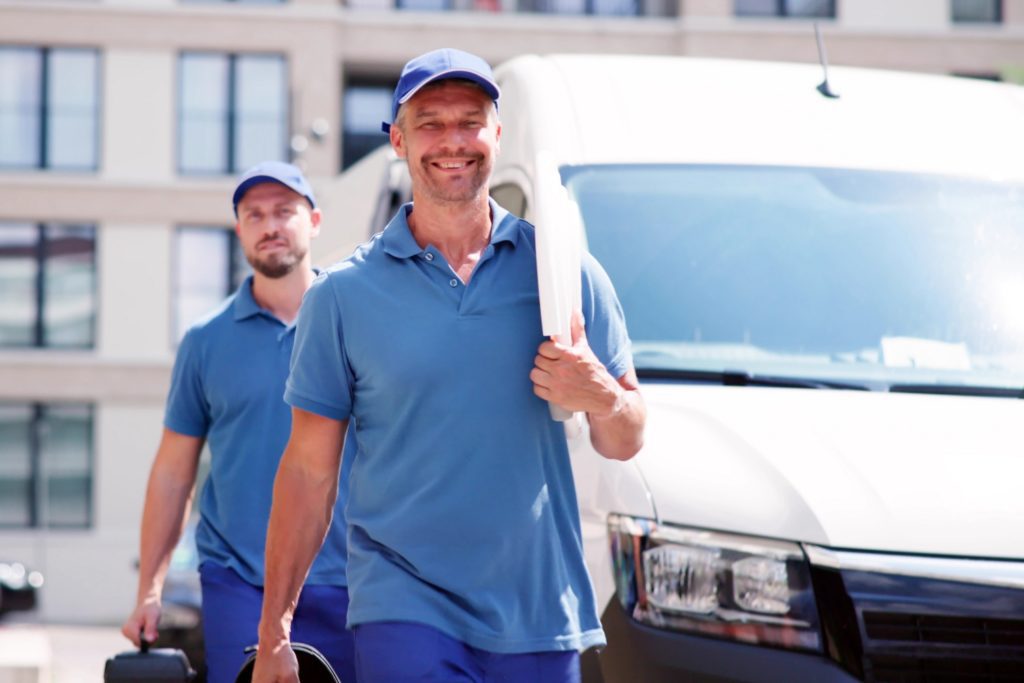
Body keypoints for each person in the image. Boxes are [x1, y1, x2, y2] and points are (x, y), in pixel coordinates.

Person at [254, 49, 645, 683]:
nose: (452, 141)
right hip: (403, 602)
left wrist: (601, 393)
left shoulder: (562, 273)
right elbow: (307, 474)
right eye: (431, 123)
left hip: (540, 610)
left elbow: (626, 439)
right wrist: (275, 631)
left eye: (470, 121)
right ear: (399, 141)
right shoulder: (342, 297)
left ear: (498, 134)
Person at [121, 161, 356, 683]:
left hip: (350, 580)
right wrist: (150, 591)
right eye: (254, 215)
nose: (269, 225)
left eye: (283, 211)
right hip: (240, 582)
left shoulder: (355, 325)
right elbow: (172, 473)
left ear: (314, 221)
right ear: (239, 230)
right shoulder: (205, 342)